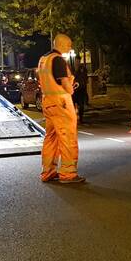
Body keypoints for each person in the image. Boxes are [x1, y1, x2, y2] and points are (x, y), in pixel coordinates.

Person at [37, 34, 85, 184]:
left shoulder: (43, 59)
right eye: (69, 45)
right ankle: (68, 173)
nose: (70, 48)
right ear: (61, 44)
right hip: (61, 103)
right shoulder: (57, 59)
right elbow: (63, 81)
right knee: (67, 137)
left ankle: (48, 172)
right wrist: (71, 89)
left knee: (50, 138)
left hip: (48, 102)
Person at [73, 61, 89, 125]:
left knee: (81, 106)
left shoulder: (82, 72)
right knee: (74, 106)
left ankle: (80, 119)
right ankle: (76, 119)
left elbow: (85, 82)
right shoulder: (76, 72)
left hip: (80, 91)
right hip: (75, 91)